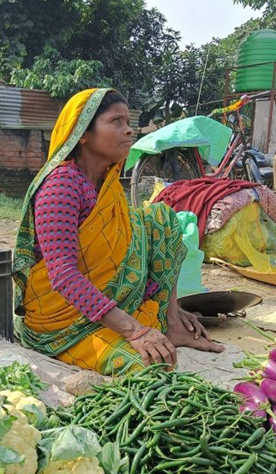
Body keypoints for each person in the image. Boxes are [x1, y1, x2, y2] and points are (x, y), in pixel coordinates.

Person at [13, 88, 223, 376]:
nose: (129, 131)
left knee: (160, 218)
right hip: (64, 320)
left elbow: (123, 248)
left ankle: (172, 323)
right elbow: (62, 275)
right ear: (82, 134)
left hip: (101, 305)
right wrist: (135, 330)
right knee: (150, 364)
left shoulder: (106, 183)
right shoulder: (61, 186)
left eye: (128, 123)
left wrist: (167, 312)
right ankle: (133, 329)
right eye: (116, 122)